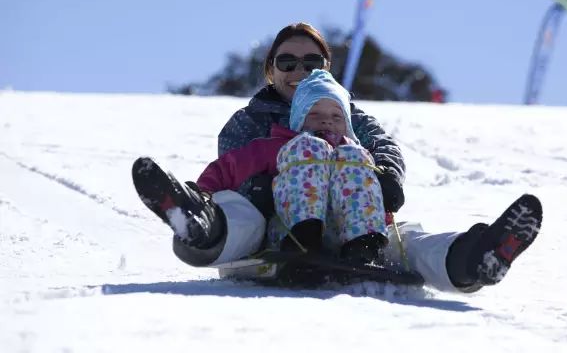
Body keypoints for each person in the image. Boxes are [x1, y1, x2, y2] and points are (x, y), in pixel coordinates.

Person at [132, 22, 543, 293]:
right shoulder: (251, 122)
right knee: (238, 210)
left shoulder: (351, 118)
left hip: (353, 226)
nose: (298, 69)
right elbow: (229, 168)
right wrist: (238, 190)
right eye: (287, 62)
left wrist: (386, 179)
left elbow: (385, 148)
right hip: (274, 230)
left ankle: (473, 257)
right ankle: (200, 225)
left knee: (410, 241)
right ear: (270, 71)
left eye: (311, 62)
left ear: (326, 68)